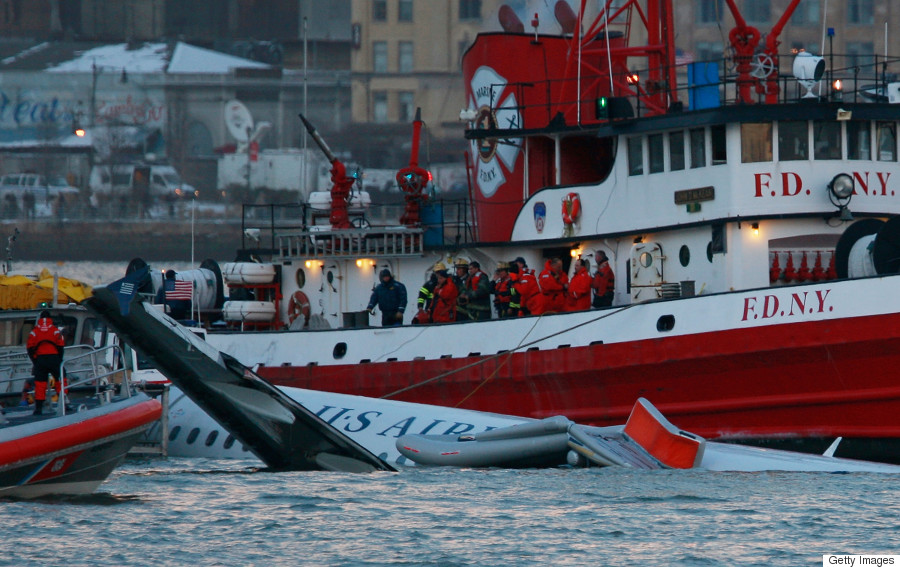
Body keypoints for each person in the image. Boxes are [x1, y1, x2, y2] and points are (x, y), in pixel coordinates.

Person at [25, 310, 65, 415]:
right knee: (61, 378)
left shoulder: (34, 331)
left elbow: (29, 348)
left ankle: (38, 408)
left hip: (40, 360)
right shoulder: (55, 330)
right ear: (50, 318)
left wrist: (35, 361)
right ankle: (64, 402)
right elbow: (61, 346)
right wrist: (59, 360)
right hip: (54, 358)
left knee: (40, 383)